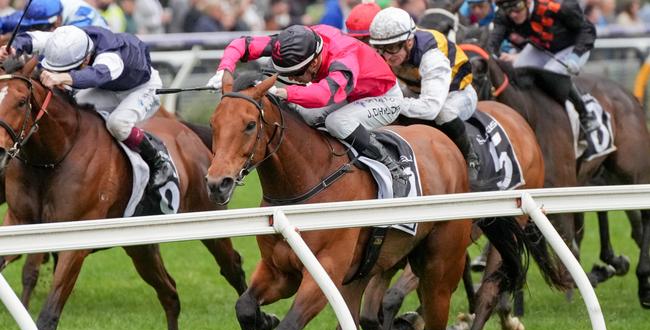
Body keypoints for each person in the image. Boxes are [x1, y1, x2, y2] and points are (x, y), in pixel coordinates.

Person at [205, 24, 410, 197]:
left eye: (295, 74)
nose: (292, 78)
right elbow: (242, 44)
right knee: (307, 115)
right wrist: (225, 69)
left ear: (313, 63)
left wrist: (281, 91)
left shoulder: (344, 58)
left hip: (383, 98)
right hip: (352, 93)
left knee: (337, 122)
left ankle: (392, 167)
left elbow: (322, 95)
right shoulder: (294, 42)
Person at [0, 25, 172, 188]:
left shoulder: (111, 56)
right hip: (107, 87)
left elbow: (97, 75)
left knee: (118, 125)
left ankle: (158, 160)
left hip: (140, 88)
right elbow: (31, 39)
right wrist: (13, 47)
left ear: (85, 60)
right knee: (74, 110)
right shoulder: (66, 40)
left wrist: (63, 78)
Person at [369, 7, 480, 181]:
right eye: (380, 49)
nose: (386, 57)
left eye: (391, 48)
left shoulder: (432, 56)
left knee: (444, 112)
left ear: (409, 42)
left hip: (458, 94)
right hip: (417, 89)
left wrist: (392, 103)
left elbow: (430, 108)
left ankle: (471, 157)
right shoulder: (393, 52)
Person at [487, 0, 598, 133]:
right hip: (542, 46)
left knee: (552, 72)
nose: (513, 15)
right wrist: (491, 55)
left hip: (571, 46)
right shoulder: (503, 16)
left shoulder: (559, 7)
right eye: (508, 10)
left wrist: (575, 55)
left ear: (528, 2)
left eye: (517, 8)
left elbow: (587, 30)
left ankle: (585, 113)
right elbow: (493, 41)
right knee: (518, 69)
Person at [0, 0, 108, 33]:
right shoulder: (44, 7)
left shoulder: (83, 22)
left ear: (57, 20)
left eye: (41, 27)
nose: (35, 30)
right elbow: (7, 21)